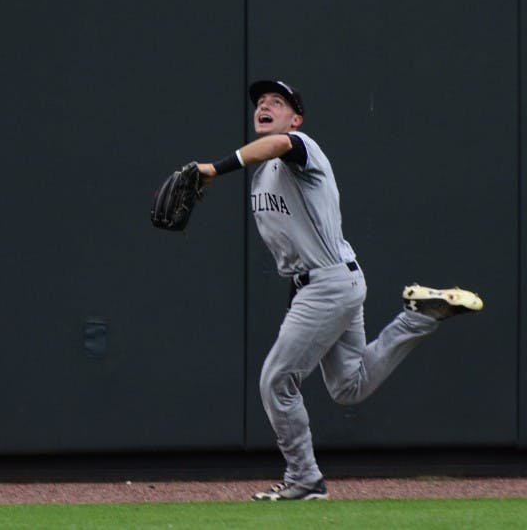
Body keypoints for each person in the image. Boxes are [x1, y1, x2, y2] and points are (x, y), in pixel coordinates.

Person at [197, 79, 483, 501]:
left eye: (277, 102)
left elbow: (279, 146)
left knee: (276, 381)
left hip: (328, 282)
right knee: (349, 386)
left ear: (295, 119)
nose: (265, 105)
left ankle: (304, 478)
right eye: (260, 101)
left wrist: (214, 169)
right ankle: (419, 316)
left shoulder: (300, 147)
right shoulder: (262, 176)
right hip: (331, 281)